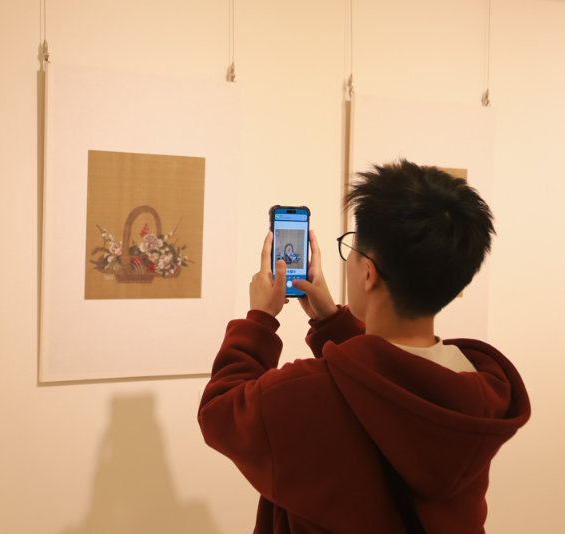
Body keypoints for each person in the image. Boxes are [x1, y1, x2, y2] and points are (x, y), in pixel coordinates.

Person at [197, 159, 531, 534]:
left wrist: (259, 319)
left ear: (369, 273)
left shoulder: (304, 394)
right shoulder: (477, 390)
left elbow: (221, 411)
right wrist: (332, 323)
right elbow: (390, 385)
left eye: (352, 250)